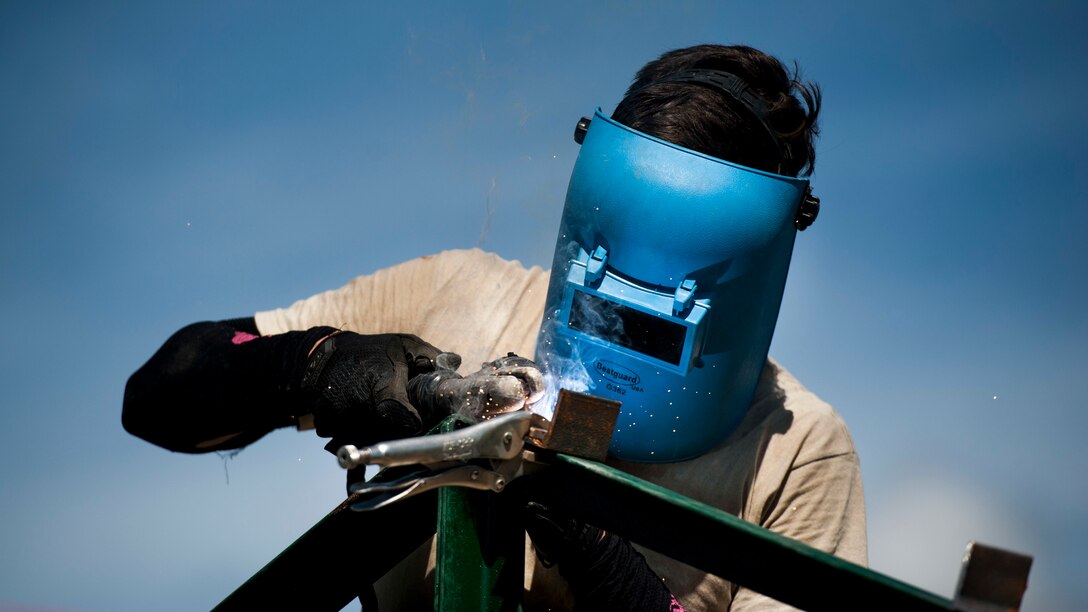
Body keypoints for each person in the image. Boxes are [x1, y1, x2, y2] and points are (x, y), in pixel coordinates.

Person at [123, 44, 865, 610]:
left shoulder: (798, 449)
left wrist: (587, 530)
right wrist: (314, 368)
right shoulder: (457, 293)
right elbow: (159, 395)